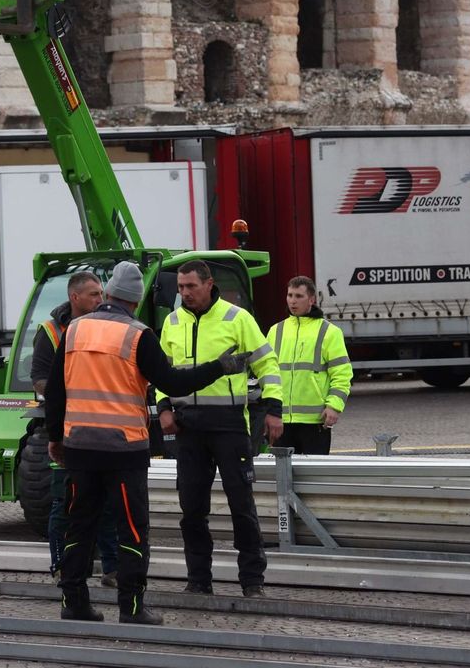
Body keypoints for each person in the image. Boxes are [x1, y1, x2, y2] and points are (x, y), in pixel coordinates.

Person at [45, 261, 249, 625]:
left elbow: (56, 390)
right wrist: (220, 367)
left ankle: (73, 602)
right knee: (132, 530)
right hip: (124, 452)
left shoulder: (74, 330)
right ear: (136, 301)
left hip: (80, 448)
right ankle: (132, 607)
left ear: (108, 294)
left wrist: (54, 437)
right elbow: (173, 383)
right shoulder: (138, 335)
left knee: (80, 526)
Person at [156, 259, 282, 598]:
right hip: (188, 428)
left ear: (209, 284)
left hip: (229, 426)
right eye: (180, 287)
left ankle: (252, 581)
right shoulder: (172, 322)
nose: (185, 293)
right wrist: (164, 406)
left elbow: (267, 363)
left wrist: (274, 409)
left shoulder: (237, 318)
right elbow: (162, 372)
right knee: (192, 509)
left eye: (191, 286)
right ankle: (198, 581)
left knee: (242, 506)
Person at [30, 270, 119, 589]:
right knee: (63, 501)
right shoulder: (51, 331)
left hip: (99, 424)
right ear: (74, 297)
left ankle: (112, 568)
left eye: (102, 293)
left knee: (106, 501)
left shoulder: (106, 325)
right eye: (94, 294)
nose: (100, 299)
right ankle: (61, 566)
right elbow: (39, 379)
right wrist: (69, 394)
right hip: (65, 427)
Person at [272, 275, 352, 455]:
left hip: (315, 421)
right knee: (282, 472)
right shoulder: (276, 331)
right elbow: (267, 374)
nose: (293, 301)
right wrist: (267, 411)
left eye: (299, 296)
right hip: (281, 420)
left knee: (314, 472)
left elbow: (342, 374)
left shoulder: (329, 332)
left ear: (311, 300)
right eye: (290, 295)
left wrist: (334, 406)